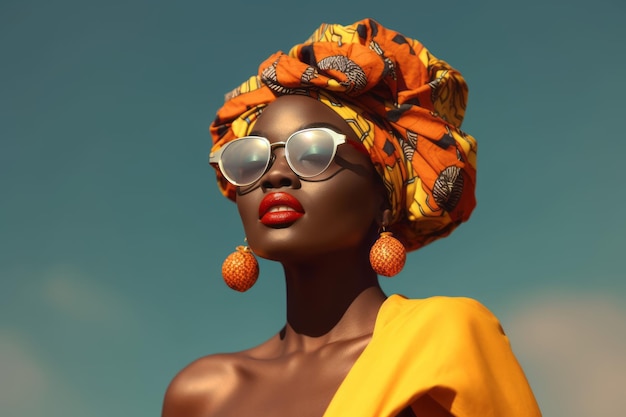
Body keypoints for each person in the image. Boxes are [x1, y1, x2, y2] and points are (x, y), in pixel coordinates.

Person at [161, 18, 541, 417]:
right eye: (251, 159)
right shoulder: (202, 394)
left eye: (311, 151)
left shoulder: (445, 345)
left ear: (383, 193)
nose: (275, 174)